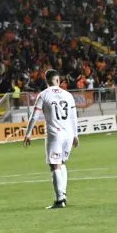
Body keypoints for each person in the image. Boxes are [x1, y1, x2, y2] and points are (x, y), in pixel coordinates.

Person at [23, 69, 79, 209]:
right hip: (68, 134)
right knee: (62, 163)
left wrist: (28, 133)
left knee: (54, 165)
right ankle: (63, 195)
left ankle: (60, 200)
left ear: (46, 80)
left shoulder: (43, 95)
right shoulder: (68, 95)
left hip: (55, 135)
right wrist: (76, 135)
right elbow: (73, 117)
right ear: (58, 80)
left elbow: (34, 116)